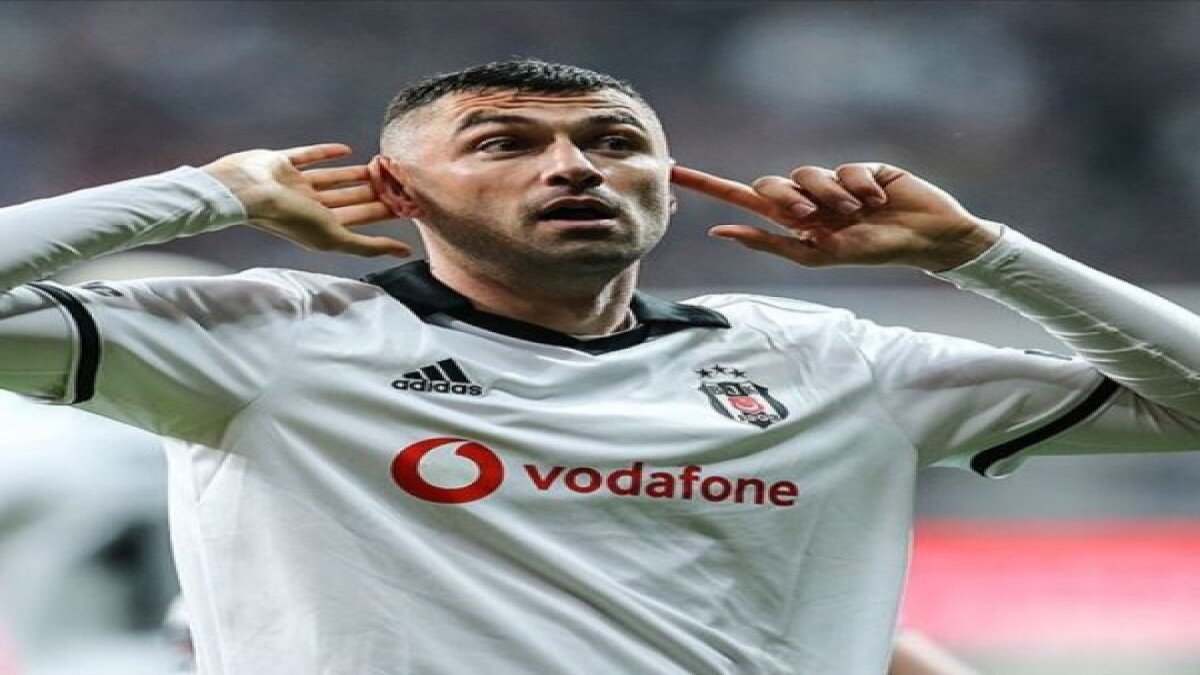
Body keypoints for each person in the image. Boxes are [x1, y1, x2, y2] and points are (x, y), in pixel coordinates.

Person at [0, 59, 1197, 674]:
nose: (574, 166)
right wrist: (202, 194)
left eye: (616, 143)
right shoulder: (263, 343)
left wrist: (980, 253)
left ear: (668, 183)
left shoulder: (829, 364)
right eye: (506, 143)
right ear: (396, 190)